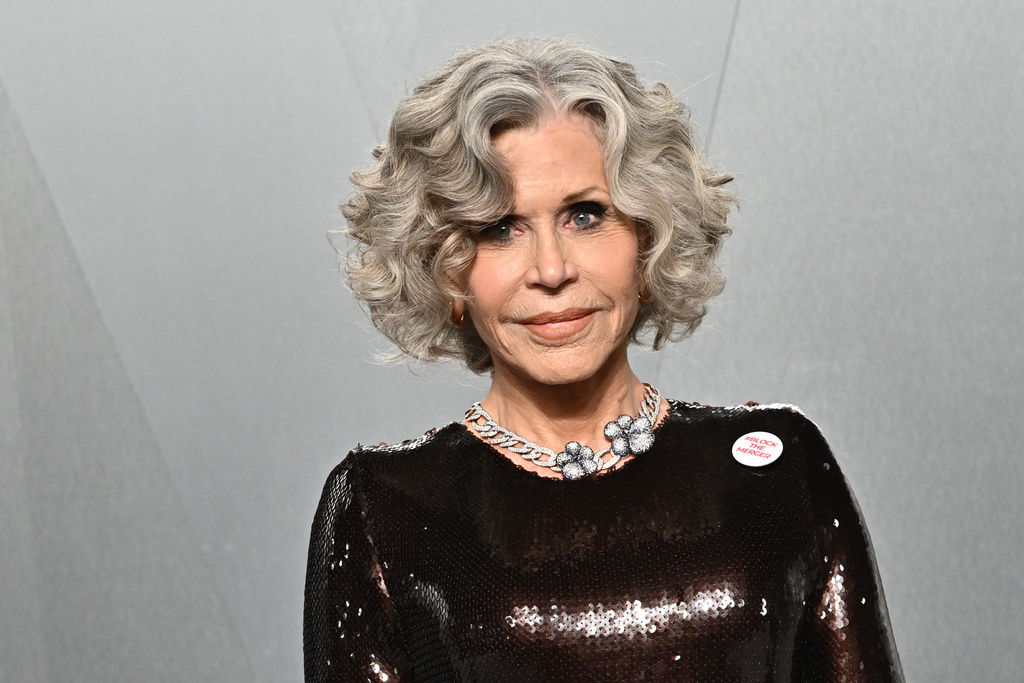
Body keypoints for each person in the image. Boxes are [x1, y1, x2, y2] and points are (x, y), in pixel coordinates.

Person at [304, 37, 904, 682]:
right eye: (500, 228)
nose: (552, 270)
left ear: (648, 238)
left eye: (586, 216)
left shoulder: (780, 467)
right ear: (448, 273)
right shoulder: (384, 508)